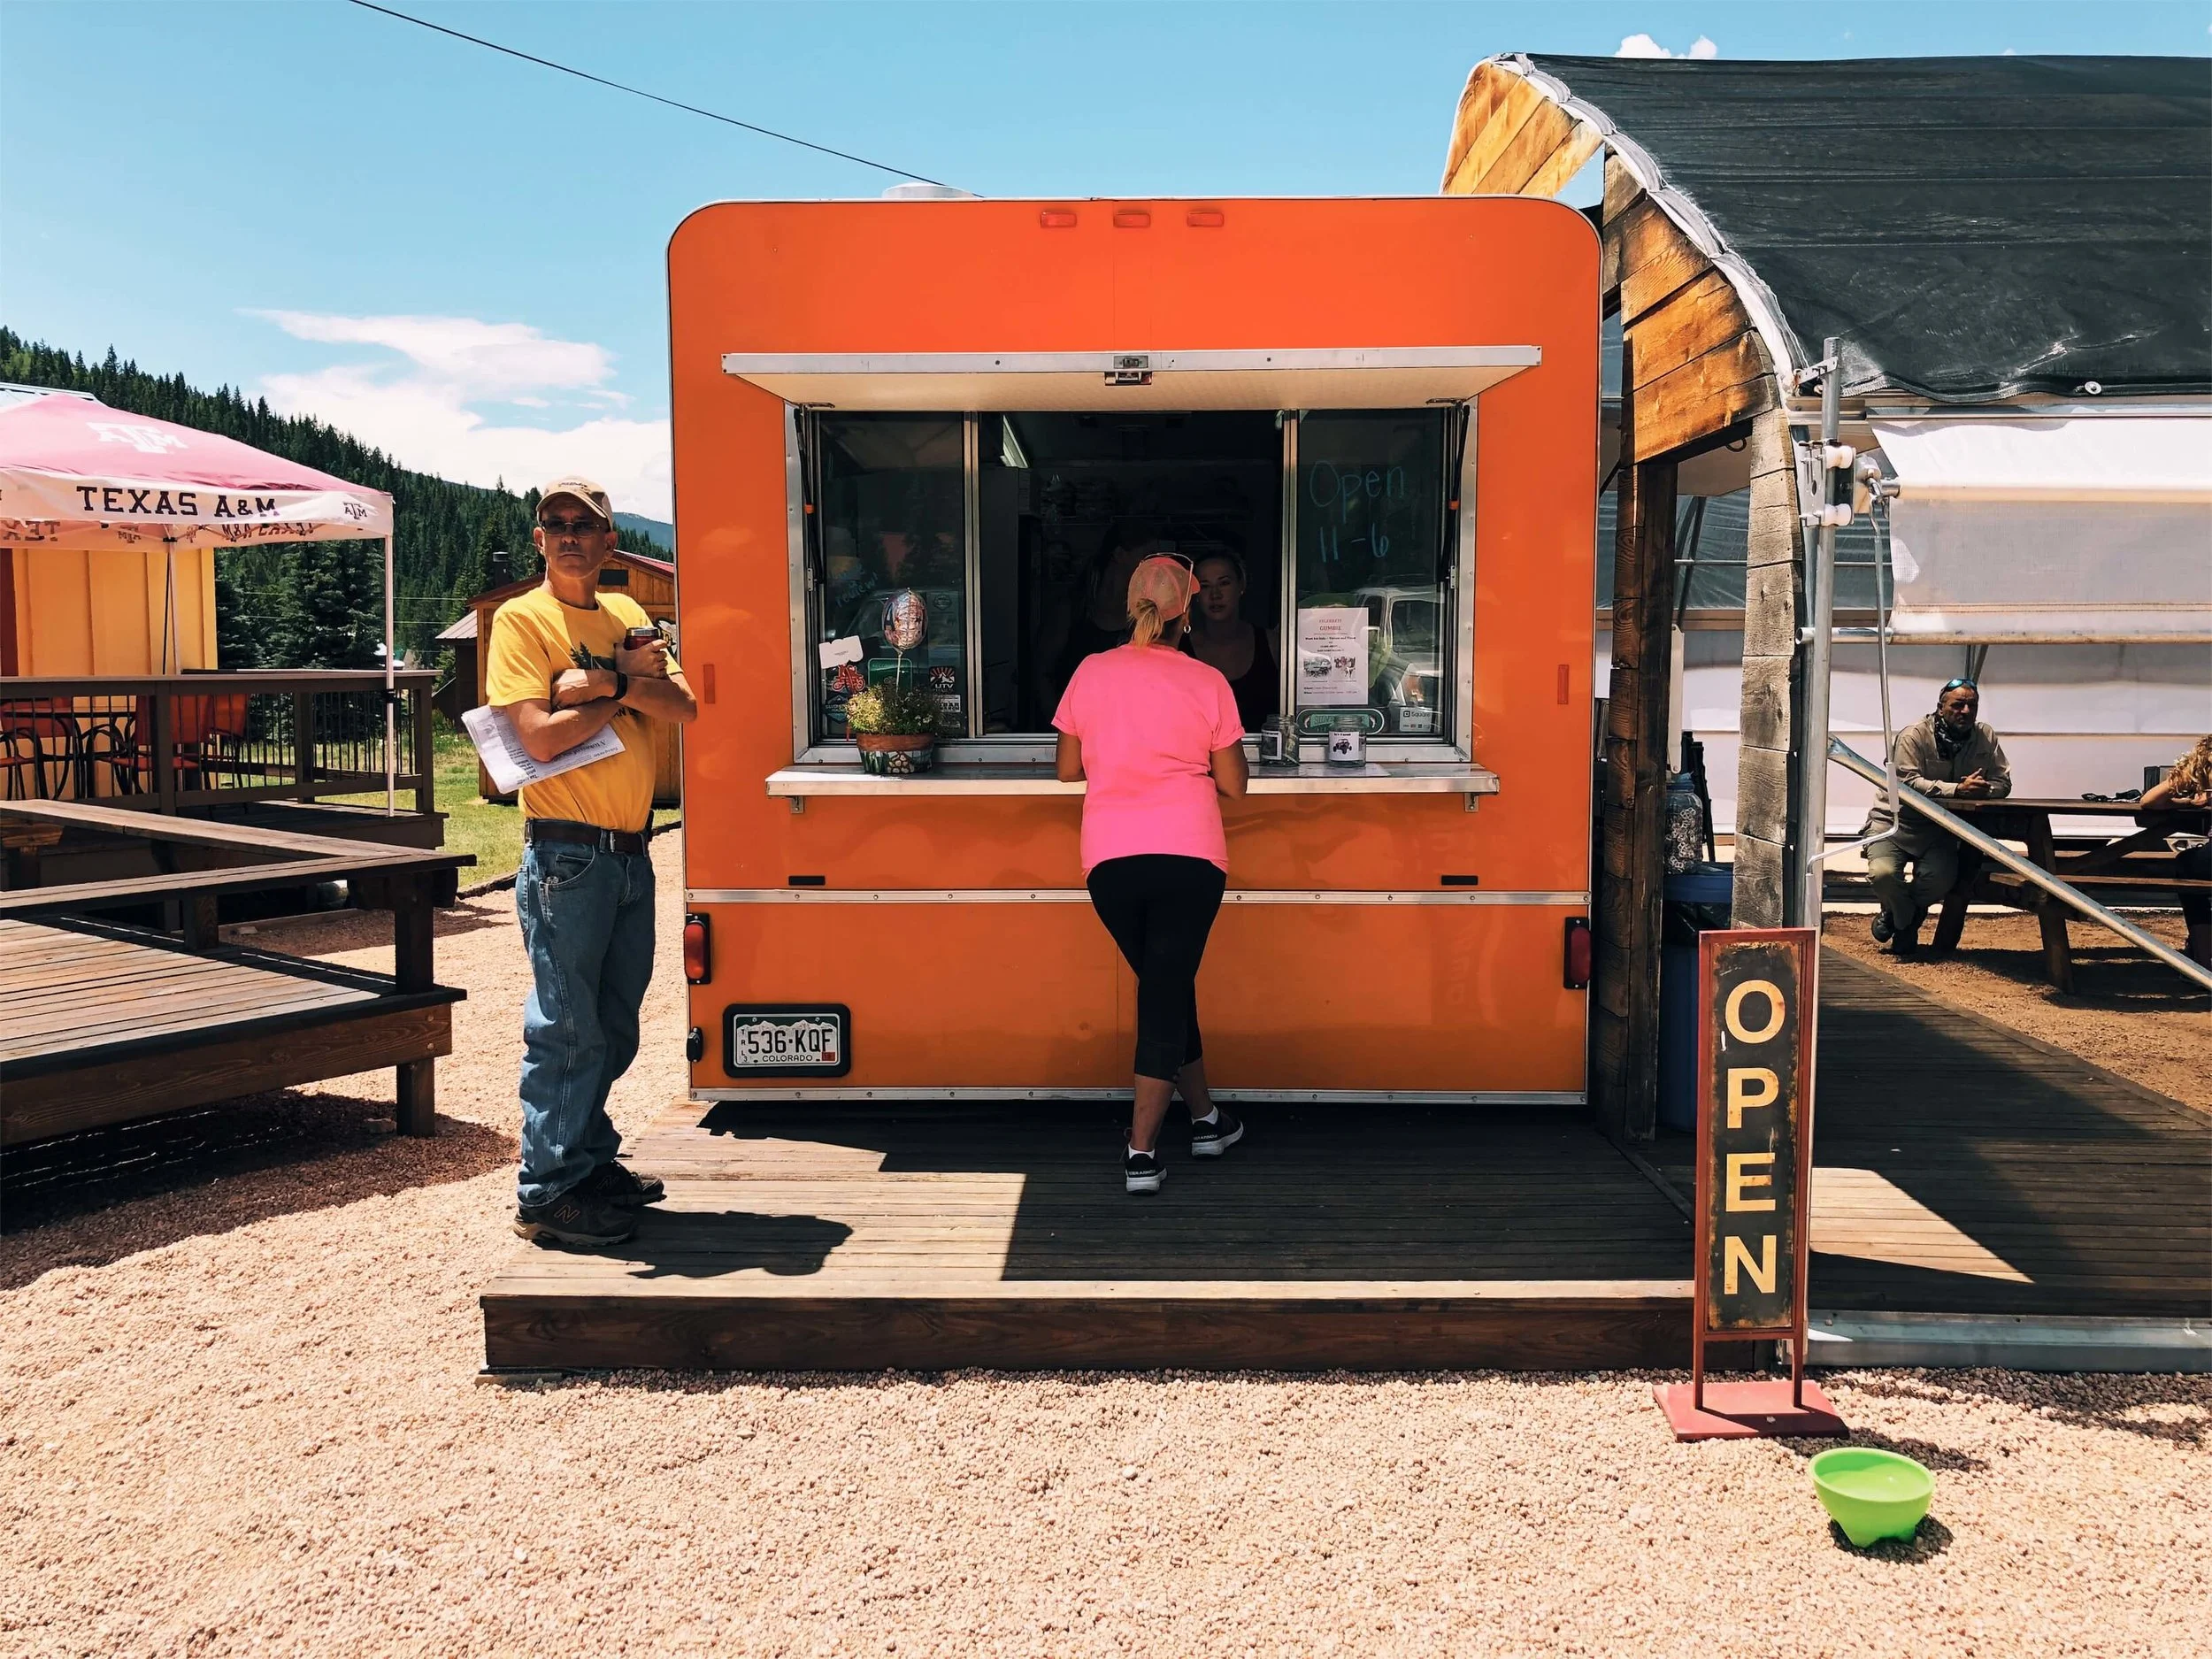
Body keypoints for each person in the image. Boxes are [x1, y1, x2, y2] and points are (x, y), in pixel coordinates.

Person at [485, 477, 699, 1247]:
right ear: (539, 539)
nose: (570, 533)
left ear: (611, 541)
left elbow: (682, 708)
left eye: (586, 523)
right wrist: (627, 689)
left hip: (630, 849)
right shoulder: (521, 620)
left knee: (612, 1023)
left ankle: (586, 1157)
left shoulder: (629, 615)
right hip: (566, 849)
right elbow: (537, 737)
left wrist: (605, 681)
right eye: (556, 522)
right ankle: (546, 1190)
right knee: (566, 1028)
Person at [1053, 553, 1249, 1194]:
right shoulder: (1208, 681)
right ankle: (1141, 1151)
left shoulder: (1090, 673)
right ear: (1184, 615)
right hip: (1190, 858)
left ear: (1129, 606)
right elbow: (1234, 785)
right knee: (1165, 988)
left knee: (1167, 984)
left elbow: (1067, 769)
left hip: (1110, 862)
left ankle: (1207, 1118)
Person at [1863, 678, 2010, 956]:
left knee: (1942, 881)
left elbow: (2003, 782)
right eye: (1958, 705)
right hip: (1895, 823)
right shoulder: (1914, 736)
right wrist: (1957, 790)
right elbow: (1905, 782)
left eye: (1972, 706)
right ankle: (1907, 923)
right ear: (1941, 707)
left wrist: (1985, 788)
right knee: (1882, 875)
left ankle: (1895, 918)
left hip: (1939, 828)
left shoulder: (1985, 736)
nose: (1965, 711)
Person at [2138, 734, 2212, 967]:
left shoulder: (2202, 766)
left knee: (2187, 868)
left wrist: (2186, 802)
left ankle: (2203, 960)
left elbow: (2149, 801)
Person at [1186, 549, 1279, 729]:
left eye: (1224, 583)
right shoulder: (1180, 649)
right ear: (1195, 594)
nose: (1215, 595)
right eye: (1205, 586)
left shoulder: (1272, 644)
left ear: (1241, 585)